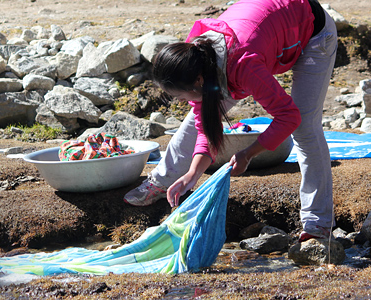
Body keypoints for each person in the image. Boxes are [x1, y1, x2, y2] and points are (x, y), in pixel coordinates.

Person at [123, 0, 337, 242]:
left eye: (181, 96)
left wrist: (248, 153)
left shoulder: (245, 64)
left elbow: (289, 116)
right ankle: (163, 182)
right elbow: (206, 122)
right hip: (266, 33)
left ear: (199, 81)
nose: (181, 102)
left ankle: (318, 223)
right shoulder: (194, 57)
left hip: (311, 33)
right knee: (197, 115)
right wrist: (193, 173)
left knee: (305, 127)